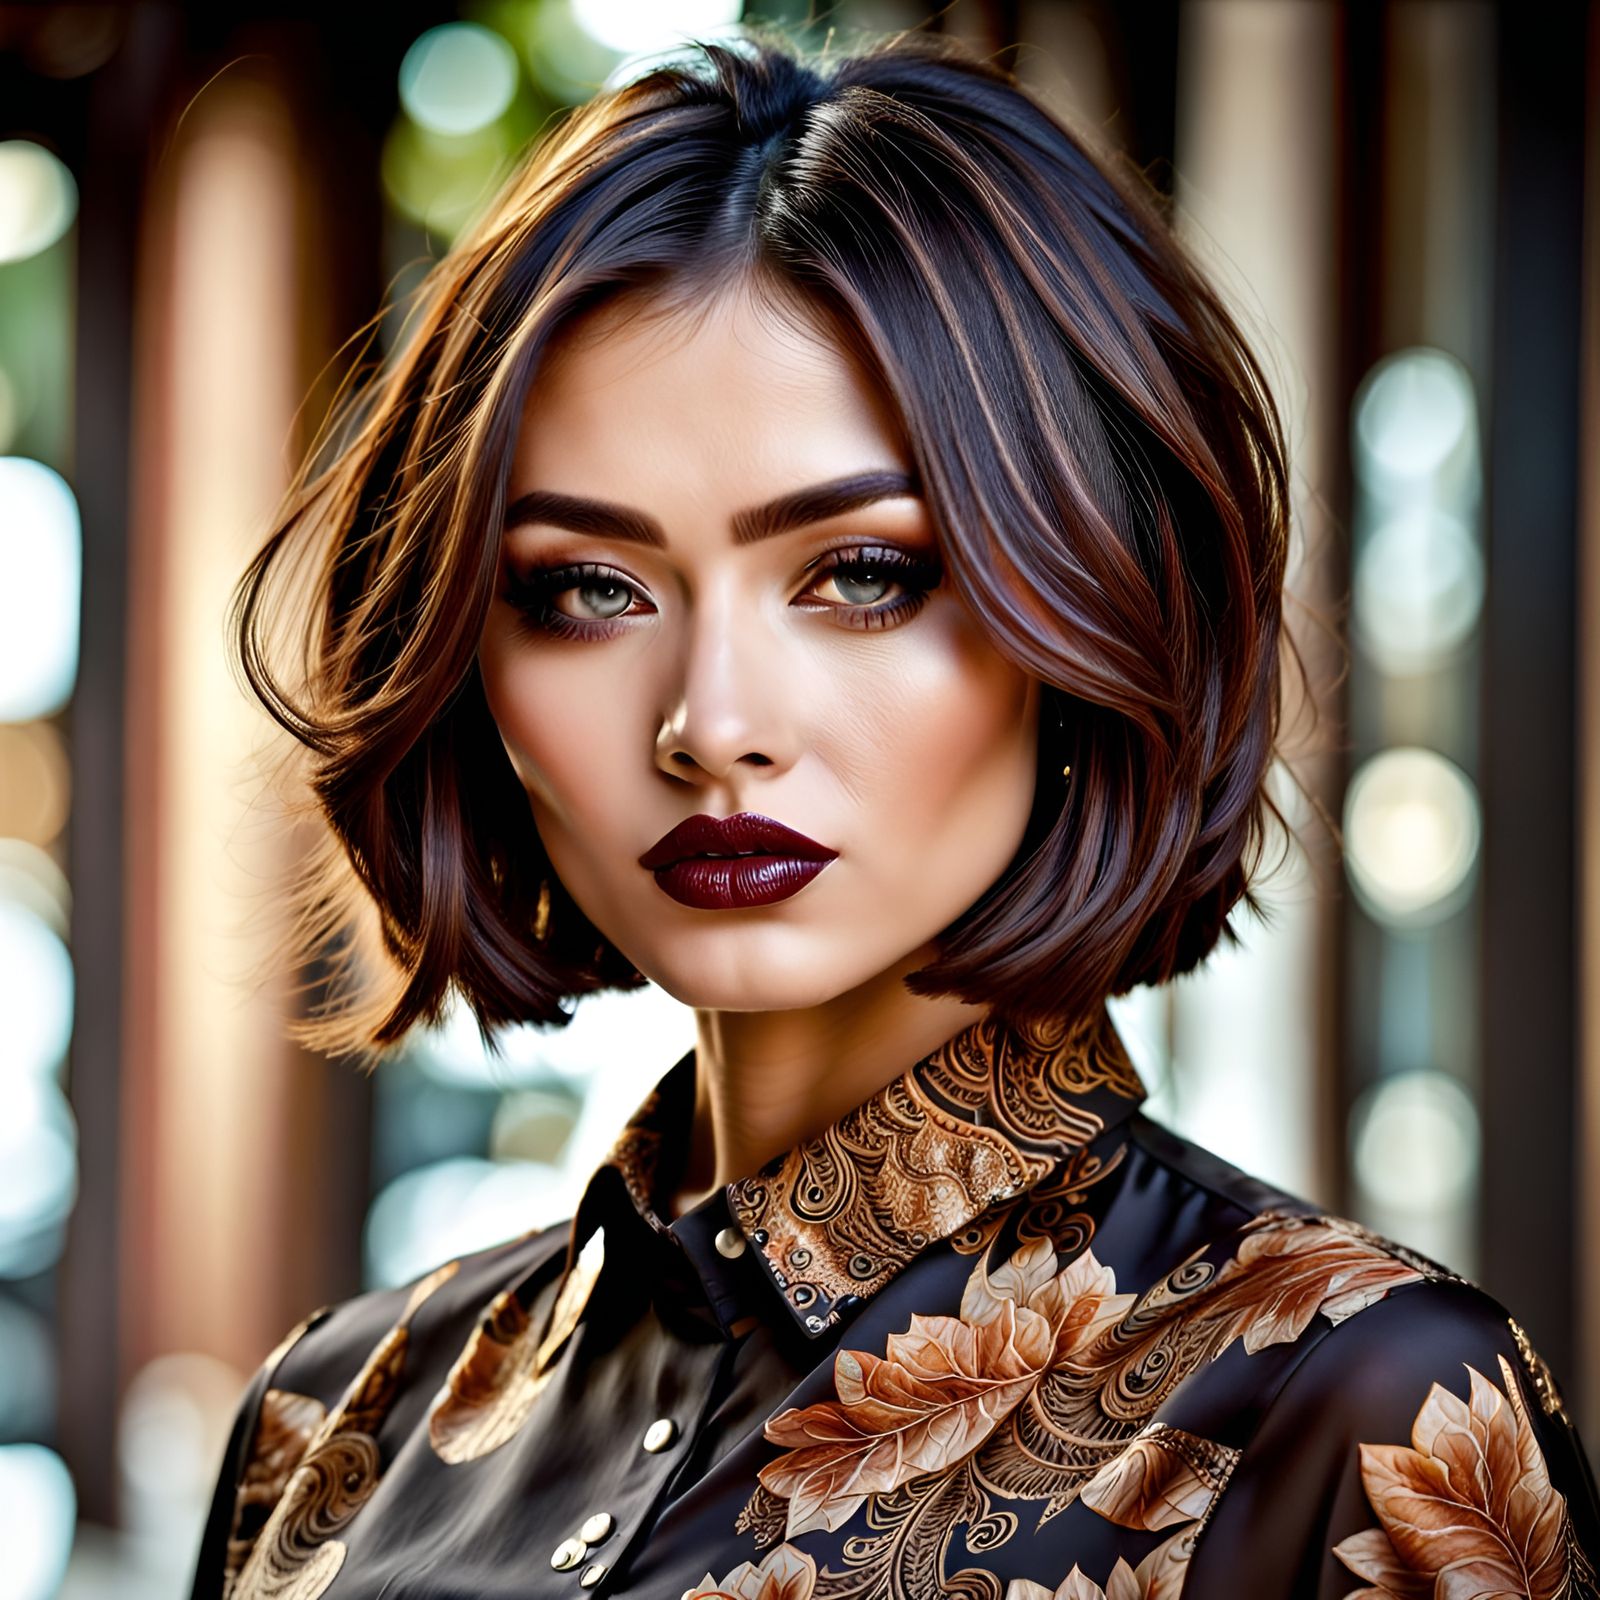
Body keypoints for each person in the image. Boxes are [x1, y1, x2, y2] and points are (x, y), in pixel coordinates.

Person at [189, 25, 1600, 1600]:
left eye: (863, 574)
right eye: (589, 589)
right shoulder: (334, 1423)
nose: (711, 722)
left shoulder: (1357, 1412)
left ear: (1093, 608)